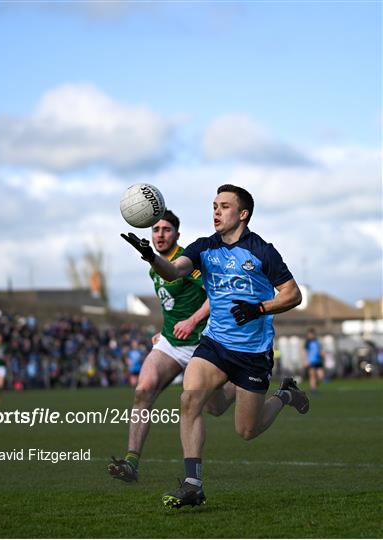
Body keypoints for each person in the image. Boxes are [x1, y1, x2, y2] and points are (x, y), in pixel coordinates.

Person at [121, 185, 309, 508]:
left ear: (243, 214)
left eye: (224, 206)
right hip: (215, 343)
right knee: (191, 399)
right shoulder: (204, 247)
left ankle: (284, 395)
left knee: (246, 430)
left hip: (252, 352)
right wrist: (151, 256)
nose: (216, 212)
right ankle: (193, 484)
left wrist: (260, 308)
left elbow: (293, 294)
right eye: (214, 206)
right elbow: (175, 271)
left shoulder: (263, 251)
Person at [109, 210, 236, 483]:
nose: (160, 234)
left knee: (215, 407)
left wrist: (191, 321)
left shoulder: (187, 261)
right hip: (170, 342)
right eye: (155, 230)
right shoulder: (154, 264)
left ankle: (237, 380)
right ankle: (131, 463)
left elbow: (217, 295)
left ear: (177, 234)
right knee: (143, 389)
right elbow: (173, 304)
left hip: (203, 343)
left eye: (166, 229)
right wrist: (165, 329)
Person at [304, 328, 324, 393]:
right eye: (309, 334)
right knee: (312, 375)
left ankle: (314, 385)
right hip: (311, 361)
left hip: (318, 361)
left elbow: (320, 350)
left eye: (311, 334)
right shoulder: (307, 343)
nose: (310, 336)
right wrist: (305, 361)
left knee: (321, 376)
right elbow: (304, 352)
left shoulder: (317, 342)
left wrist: (323, 355)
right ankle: (313, 389)